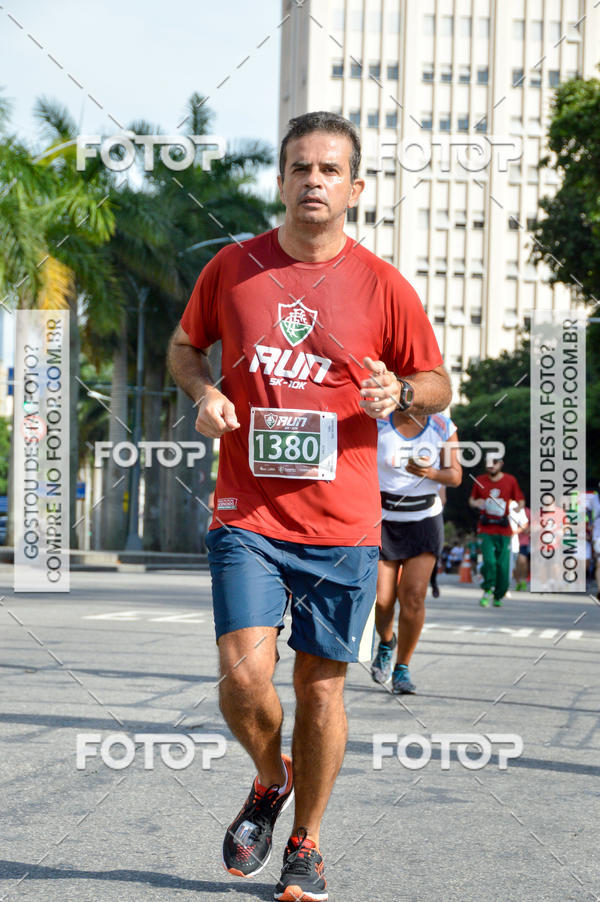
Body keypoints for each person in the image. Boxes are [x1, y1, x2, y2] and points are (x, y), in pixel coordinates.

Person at [167, 111, 451, 902]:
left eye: (330, 169)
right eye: (300, 167)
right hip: (248, 513)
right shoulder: (234, 268)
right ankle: (270, 776)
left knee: (321, 686)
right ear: (282, 181)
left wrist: (402, 391)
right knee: (242, 674)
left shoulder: (383, 285)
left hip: (343, 524)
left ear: (354, 188)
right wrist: (206, 390)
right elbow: (185, 347)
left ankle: (306, 843)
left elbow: (436, 383)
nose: (313, 180)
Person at [371, 412, 462, 692]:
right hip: (383, 518)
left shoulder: (442, 426)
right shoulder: (378, 421)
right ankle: (387, 642)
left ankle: (402, 668)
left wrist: (430, 472)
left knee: (412, 596)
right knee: (382, 599)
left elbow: (455, 476)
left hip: (424, 519)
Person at [469, 456, 525, 607]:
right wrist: (476, 503)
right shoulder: (480, 480)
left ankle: (498, 594)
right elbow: (472, 500)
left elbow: (520, 499)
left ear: (501, 464)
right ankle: (487, 589)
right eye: (488, 463)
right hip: (485, 527)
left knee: (503, 565)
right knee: (489, 561)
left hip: (504, 528)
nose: (491, 466)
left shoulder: (510, 480)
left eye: (494, 463)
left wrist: (519, 507)